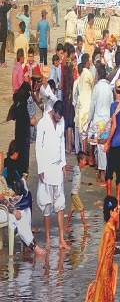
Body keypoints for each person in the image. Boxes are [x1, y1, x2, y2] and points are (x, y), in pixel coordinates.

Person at [36, 100, 71, 250]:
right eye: (58, 116)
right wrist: (40, 169)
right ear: (54, 111)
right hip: (46, 168)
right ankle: (49, 239)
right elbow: (38, 146)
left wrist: (63, 164)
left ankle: (62, 239)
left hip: (57, 167)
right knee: (47, 205)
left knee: (60, 203)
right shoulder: (43, 123)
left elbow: (62, 142)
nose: (59, 118)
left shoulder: (61, 121)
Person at [1, 140, 46, 256]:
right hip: (3, 208)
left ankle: (28, 244)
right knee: (19, 216)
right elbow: (1, 198)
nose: (1, 165)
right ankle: (32, 246)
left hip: (5, 203)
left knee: (24, 212)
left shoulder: (1, 177)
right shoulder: (7, 169)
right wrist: (13, 209)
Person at [86, 196, 120, 302]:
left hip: (108, 269)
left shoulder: (111, 228)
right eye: (116, 210)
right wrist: (96, 279)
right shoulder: (107, 231)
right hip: (104, 271)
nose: (118, 212)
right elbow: (102, 256)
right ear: (111, 213)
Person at [105, 81, 120, 201]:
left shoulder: (113, 106)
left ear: (115, 90)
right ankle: (118, 200)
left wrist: (108, 142)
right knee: (119, 172)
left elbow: (113, 126)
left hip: (114, 143)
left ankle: (109, 198)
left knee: (109, 172)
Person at [65, 151, 89, 232]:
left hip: (74, 193)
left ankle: (66, 224)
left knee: (72, 210)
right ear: (80, 161)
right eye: (85, 160)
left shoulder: (78, 169)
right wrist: (63, 167)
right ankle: (85, 225)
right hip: (74, 194)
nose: (86, 162)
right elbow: (70, 168)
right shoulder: (77, 168)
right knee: (82, 209)